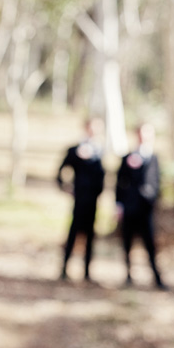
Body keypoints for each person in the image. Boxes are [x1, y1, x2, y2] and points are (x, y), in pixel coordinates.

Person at [116, 123, 166, 289]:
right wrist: (119, 205)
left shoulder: (154, 157)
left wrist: (151, 196)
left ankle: (157, 278)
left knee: (150, 244)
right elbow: (119, 183)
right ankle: (128, 275)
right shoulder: (127, 157)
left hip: (146, 210)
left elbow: (158, 183)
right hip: (130, 208)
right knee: (127, 243)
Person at [57, 117, 105, 282]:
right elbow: (61, 171)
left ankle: (86, 272)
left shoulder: (100, 150)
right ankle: (64, 268)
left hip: (93, 201)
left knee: (90, 236)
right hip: (79, 200)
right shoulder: (75, 149)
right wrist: (66, 187)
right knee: (73, 234)